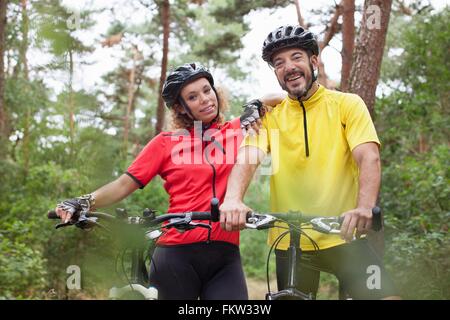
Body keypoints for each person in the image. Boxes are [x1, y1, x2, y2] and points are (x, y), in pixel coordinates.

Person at [54, 62, 278, 300]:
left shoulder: (236, 130)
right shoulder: (165, 143)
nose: (204, 99)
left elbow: (278, 97)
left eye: (207, 90)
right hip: (176, 255)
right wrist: (84, 202)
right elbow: (123, 184)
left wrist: (256, 103)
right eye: (193, 97)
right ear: (181, 108)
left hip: (225, 256)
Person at [219, 25, 401, 300]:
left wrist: (364, 207)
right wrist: (232, 199)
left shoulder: (347, 104)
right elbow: (248, 157)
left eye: (296, 57)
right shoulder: (270, 117)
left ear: (313, 61)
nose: (288, 67)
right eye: (279, 63)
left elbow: (368, 156)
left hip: (343, 234)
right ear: (275, 73)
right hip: (290, 241)